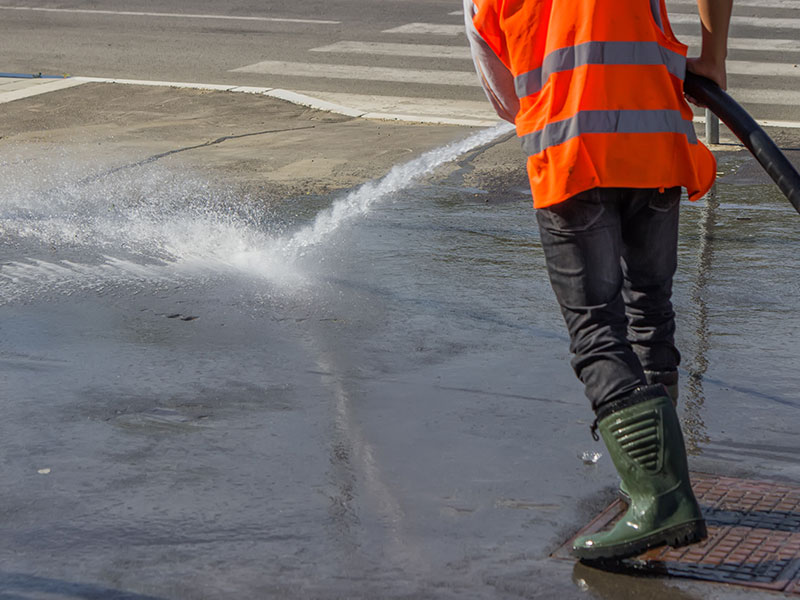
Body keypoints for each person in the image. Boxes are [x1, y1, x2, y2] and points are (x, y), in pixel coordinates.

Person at [464, 0, 732, 560]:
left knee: (597, 333)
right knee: (650, 311)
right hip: (656, 133)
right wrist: (713, 57)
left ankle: (658, 499)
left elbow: (504, 91)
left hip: (573, 150)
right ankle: (661, 484)